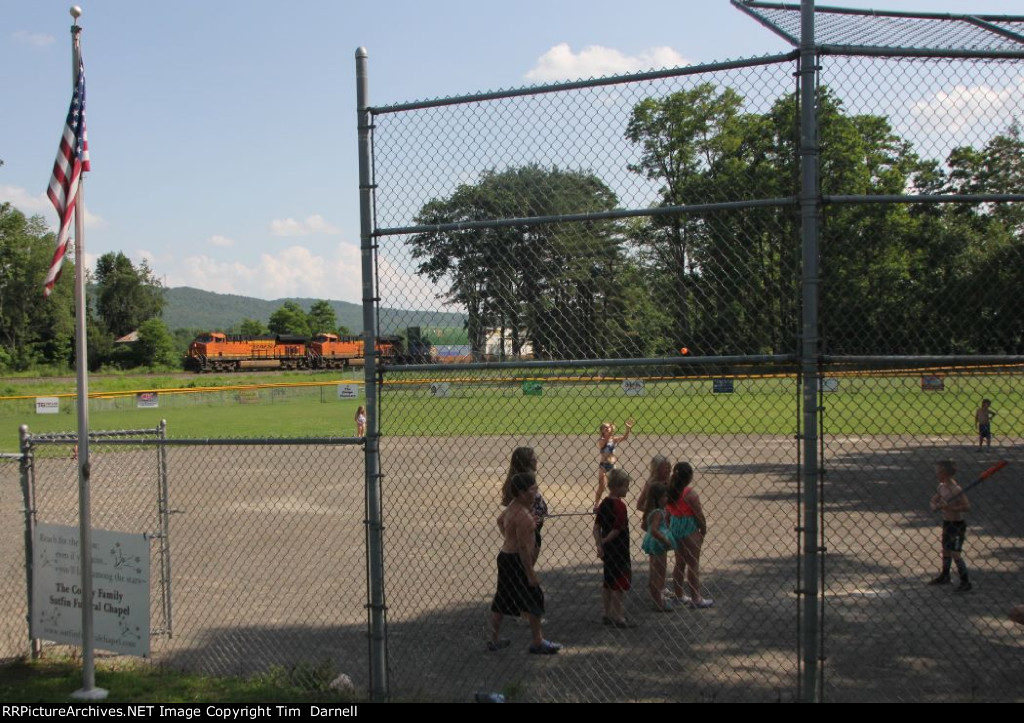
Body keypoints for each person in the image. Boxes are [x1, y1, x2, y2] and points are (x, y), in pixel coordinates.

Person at [489, 472, 561, 654]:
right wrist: (530, 573)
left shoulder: (514, 507)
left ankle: (493, 638)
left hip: (505, 557)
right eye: (532, 490)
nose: (535, 493)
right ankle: (538, 641)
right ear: (521, 493)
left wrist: (510, 536)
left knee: (502, 597)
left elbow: (500, 520)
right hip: (516, 560)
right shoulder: (523, 515)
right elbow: (522, 548)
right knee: (534, 596)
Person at [667, 461, 713, 609]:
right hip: (688, 527)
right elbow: (698, 515)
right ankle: (696, 598)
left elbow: (667, 513)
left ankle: (679, 595)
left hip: (675, 525)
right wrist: (703, 530)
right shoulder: (690, 494)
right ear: (690, 477)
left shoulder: (669, 490)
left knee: (680, 563)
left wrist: (669, 526)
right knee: (693, 564)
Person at [594, 468, 633, 627]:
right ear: (617, 487)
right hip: (619, 550)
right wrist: (604, 541)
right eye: (625, 486)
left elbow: (596, 526)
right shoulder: (620, 506)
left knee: (608, 582)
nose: (627, 489)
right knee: (619, 584)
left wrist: (599, 544)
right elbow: (617, 529)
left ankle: (606, 612)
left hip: (608, 553)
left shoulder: (604, 503)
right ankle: (619, 616)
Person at [929, 458, 972, 592]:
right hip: (947, 523)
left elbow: (967, 506)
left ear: (945, 473)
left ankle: (965, 581)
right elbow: (933, 501)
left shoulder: (956, 489)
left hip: (957, 524)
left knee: (955, 553)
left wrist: (950, 508)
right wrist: (936, 506)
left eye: (938, 472)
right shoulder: (941, 487)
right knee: (946, 550)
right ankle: (945, 575)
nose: (936, 475)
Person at [501, 447, 548, 563]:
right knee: (526, 570)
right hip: (530, 532)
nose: (536, 461)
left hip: (530, 530)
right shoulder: (525, 482)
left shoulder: (518, 480)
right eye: (533, 459)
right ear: (526, 462)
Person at [641, 482, 675, 612]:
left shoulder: (656, 511)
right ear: (657, 498)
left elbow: (646, 527)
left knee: (657, 572)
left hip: (655, 542)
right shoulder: (658, 513)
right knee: (660, 573)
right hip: (658, 543)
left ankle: (657, 599)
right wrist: (665, 540)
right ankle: (659, 601)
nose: (667, 499)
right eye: (664, 496)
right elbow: (654, 530)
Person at [595, 418, 634, 508]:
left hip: (613, 466)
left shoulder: (613, 439)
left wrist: (627, 428)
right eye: (605, 428)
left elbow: (625, 437)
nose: (607, 429)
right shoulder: (601, 440)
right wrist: (611, 430)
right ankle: (596, 505)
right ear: (602, 431)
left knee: (616, 487)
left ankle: (617, 503)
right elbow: (606, 439)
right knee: (602, 487)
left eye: (608, 427)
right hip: (603, 466)